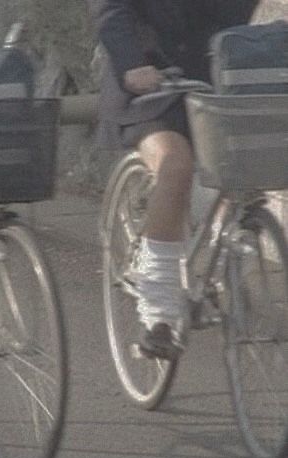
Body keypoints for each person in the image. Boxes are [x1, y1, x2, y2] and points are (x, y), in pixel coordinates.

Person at [91, 1, 259, 359]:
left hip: (212, 79)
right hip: (149, 85)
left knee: (245, 169)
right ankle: (159, 310)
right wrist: (131, 63)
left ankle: (222, 262)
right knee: (175, 164)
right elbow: (111, 11)